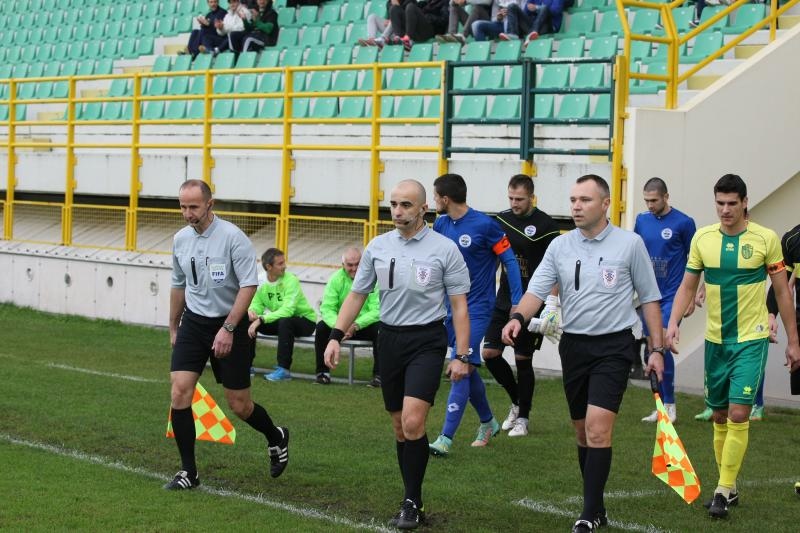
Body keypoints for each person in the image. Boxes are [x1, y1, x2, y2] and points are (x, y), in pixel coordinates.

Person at [501, 174, 665, 533]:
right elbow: (537, 290)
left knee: (597, 429)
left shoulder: (630, 244)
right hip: (573, 346)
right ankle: (599, 504)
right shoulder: (560, 246)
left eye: (585, 200)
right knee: (581, 432)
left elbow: (650, 298)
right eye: (573, 199)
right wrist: (517, 318)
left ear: (605, 204)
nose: (576, 206)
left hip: (615, 346)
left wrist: (657, 348)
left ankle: (587, 514)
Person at [324, 179, 471, 529]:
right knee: (399, 428)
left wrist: (461, 355)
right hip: (389, 340)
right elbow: (357, 296)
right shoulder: (377, 246)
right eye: (393, 204)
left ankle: (412, 502)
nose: (398, 211)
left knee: (413, 421)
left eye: (406, 205)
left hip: (426, 341)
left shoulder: (445, 248)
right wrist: (334, 337)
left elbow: (459, 307)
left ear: (423, 208)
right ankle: (410, 495)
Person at [665, 174, 800, 520]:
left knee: (740, 412)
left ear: (744, 203)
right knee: (720, 415)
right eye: (720, 203)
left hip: (751, 340)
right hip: (716, 341)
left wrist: (793, 340)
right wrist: (673, 322)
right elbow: (687, 286)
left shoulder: (766, 239)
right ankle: (732, 485)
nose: (725, 210)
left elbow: (783, 291)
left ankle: (722, 491)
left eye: (731, 203)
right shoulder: (703, 239)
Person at [165, 179, 289, 490]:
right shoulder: (180, 240)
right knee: (180, 391)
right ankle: (188, 473)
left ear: (210, 204)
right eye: (182, 207)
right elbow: (179, 284)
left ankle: (276, 436)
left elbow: (249, 285)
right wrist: (173, 325)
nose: (187, 213)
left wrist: (229, 328)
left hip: (230, 322)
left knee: (239, 405)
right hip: (194, 323)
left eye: (193, 206)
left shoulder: (233, 238)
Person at [426, 174, 523, 456]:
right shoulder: (441, 224)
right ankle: (488, 421)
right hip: (448, 307)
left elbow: (510, 262)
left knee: (462, 364)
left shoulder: (485, 225)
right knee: (466, 366)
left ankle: (445, 438)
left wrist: (517, 301)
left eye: (435, 197)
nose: (434, 202)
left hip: (478, 308)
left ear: (445, 199)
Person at [482, 175, 560, 438]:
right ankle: (517, 402)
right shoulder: (500, 221)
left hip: (531, 301)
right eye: (511, 198)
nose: (514, 204)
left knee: (522, 361)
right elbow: (492, 256)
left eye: (520, 199)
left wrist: (551, 304)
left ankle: (523, 419)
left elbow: (555, 269)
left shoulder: (546, 226)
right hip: (503, 299)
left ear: (532, 198)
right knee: (490, 354)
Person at [633, 177, 697, 424]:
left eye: (654, 200)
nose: (649, 205)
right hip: (649, 296)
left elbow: (697, 259)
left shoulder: (683, 222)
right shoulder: (641, 220)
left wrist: (693, 294)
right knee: (652, 348)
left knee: (661, 342)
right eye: (646, 200)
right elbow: (635, 252)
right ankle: (660, 405)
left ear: (666, 197)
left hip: (673, 295)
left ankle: (670, 406)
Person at [314, 247, 381, 386]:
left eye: (358, 264)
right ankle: (322, 373)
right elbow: (327, 309)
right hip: (341, 327)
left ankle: (379, 376)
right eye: (350, 265)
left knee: (381, 329)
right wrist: (340, 327)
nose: (354, 268)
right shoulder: (335, 279)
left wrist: (356, 325)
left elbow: (377, 310)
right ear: (342, 264)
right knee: (321, 327)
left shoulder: (374, 279)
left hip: (363, 326)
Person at [247, 248, 316, 382]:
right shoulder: (260, 281)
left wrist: (262, 319)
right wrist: (253, 312)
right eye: (280, 264)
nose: (284, 266)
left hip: (305, 321)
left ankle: (284, 370)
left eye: (284, 262)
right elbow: (257, 303)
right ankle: (246, 365)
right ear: (268, 267)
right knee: (248, 320)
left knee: (286, 321)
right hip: (280, 321)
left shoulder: (291, 280)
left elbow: (288, 310)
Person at [499, 0, 565, 42]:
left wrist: (537, 8)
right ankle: (512, 34)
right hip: (533, 25)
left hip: (549, 25)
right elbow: (525, 11)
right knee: (512, 6)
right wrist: (531, 9)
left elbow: (555, 10)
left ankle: (532, 33)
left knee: (544, 8)